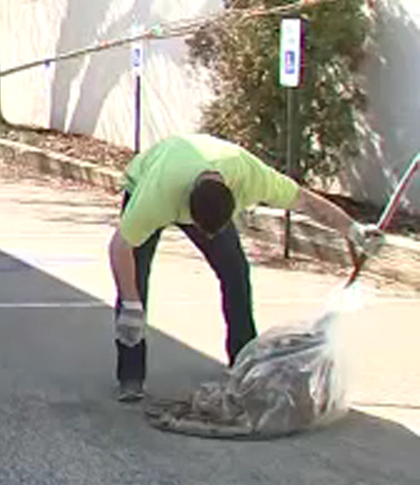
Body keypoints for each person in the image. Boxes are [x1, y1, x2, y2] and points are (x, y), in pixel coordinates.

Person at [108, 132, 383, 402]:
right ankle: (131, 376)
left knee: (235, 272)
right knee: (135, 279)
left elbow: (306, 201)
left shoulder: (251, 177)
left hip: (203, 178)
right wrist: (131, 305)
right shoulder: (157, 196)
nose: (207, 236)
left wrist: (354, 230)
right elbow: (120, 248)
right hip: (151, 176)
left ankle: (243, 364)